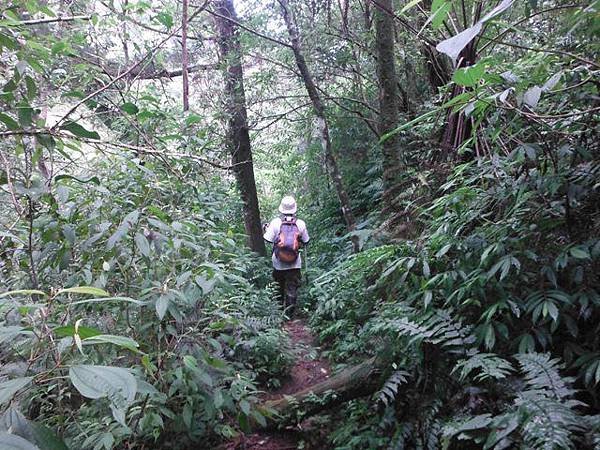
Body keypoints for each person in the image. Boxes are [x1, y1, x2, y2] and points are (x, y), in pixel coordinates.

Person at [263, 195, 309, 314]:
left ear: (281, 209)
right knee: (292, 288)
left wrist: (267, 229)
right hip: (295, 263)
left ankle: (279, 313)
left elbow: (268, 239)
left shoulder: (275, 222)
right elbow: (306, 241)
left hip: (278, 263)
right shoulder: (300, 224)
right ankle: (289, 316)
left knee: (278, 287)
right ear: (294, 209)